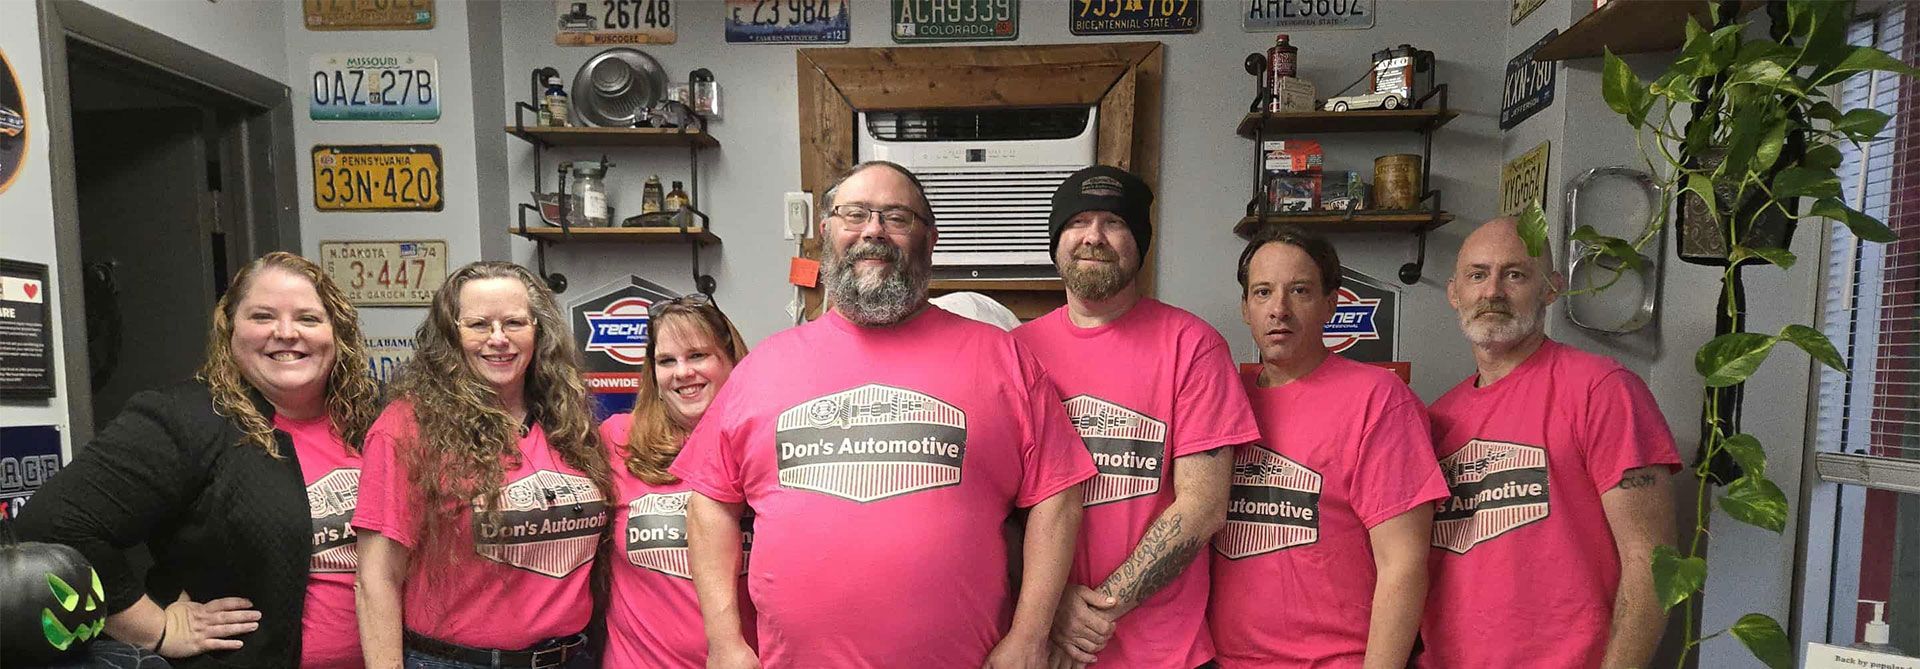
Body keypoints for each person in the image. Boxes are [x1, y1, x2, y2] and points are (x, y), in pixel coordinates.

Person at [673, 160, 1096, 669]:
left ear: (929, 238)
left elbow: (1057, 497)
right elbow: (710, 505)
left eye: (896, 217)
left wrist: (1030, 634)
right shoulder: (765, 365)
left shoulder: (1002, 357)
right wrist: (724, 640)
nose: (873, 230)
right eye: (854, 214)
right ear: (826, 231)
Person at [15, 252, 382, 668]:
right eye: (262, 316)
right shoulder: (185, 418)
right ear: (230, 330)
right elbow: (54, 522)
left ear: (338, 332)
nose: (286, 332)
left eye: (309, 319)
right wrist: (155, 628)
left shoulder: (378, 420)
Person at [1014, 165, 1259, 669]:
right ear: (1057, 240)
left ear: (1139, 242)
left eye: (1115, 223)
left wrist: (1092, 614)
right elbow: (993, 504)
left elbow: (1203, 505)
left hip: (1162, 652)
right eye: (1078, 221)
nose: (1094, 237)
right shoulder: (1014, 352)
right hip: (1040, 644)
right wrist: (1049, 607)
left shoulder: (1192, 346)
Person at [1419, 218, 1680, 668]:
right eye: (1477, 275)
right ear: (1454, 293)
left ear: (1551, 289)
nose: (1493, 291)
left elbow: (1652, 561)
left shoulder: (1603, 390)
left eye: (1515, 274)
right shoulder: (1437, 418)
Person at [353, 261, 614, 669]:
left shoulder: (568, 421)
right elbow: (377, 579)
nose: (498, 339)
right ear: (450, 335)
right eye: (478, 325)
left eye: (514, 322)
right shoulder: (406, 427)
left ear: (538, 332)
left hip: (571, 657)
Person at [1209, 227, 1448, 668]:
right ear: (1245, 308)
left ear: (1330, 304)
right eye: (1263, 292)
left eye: (1299, 290)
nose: (1279, 309)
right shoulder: (1222, 397)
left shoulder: (1377, 399)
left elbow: (1405, 564)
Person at [597, 294, 755, 668]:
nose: (682, 372)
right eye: (667, 361)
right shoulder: (618, 439)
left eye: (697, 355)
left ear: (730, 358)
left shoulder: (766, 444)